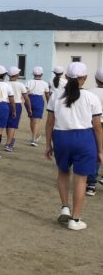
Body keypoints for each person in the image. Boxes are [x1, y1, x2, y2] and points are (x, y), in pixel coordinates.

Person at [45, 62, 102, 230]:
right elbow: (97, 127)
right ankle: (75, 220)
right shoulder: (92, 97)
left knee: (63, 172)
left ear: (67, 77)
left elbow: (49, 123)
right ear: (84, 78)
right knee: (80, 179)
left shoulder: (56, 95)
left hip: (61, 136)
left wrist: (48, 144)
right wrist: (100, 150)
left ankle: (64, 206)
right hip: (84, 137)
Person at [4, 66, 31, 152]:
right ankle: (8, 143)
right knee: (12, 125)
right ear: (16, 75)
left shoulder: (5, 84)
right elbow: (26, 98)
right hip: (16, 104)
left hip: (6, 104)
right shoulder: (21, 85)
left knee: (8, 125)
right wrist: (29, 108)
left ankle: (10, 140)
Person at [86, 68, 103, 196]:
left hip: (94, 124)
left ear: (96, 79)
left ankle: (91, 184)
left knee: (96, 153)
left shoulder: (89, 92)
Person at [26, 66, 49, 146]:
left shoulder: (29, 81)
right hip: (39, 100)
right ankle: (33, 139)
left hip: (29, 99)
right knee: (36, 121)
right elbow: (47, 94)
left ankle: (34, 136)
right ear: (41, 74)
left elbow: (26, 91)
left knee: (31, 120)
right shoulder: (44, 83)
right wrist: (49, 103)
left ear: (33, 74)